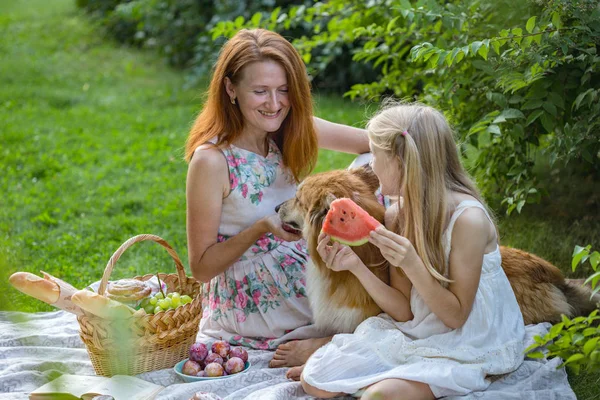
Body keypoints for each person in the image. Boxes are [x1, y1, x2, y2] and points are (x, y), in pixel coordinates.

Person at [295, 103, 526, 399]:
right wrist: (355, 265)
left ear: (400, 162)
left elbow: (455, 317)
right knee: (314, 379)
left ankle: (387, 384)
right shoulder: (397, 215)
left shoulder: (468, 220)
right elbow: (403, 311)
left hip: (469, 338)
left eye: (375, 156)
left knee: (381, 396)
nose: (370, 166)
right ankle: (388, 382)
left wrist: (413, 264)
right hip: (419, 326)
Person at [184, 28, 369, 351]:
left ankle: (334, 338)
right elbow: (201, 268)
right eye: (260, 91)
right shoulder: (212, 161)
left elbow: (375, 145)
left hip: (308, 267)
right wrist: (260, 229)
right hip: (255, 298)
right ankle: (327, 342)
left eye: (284, 90)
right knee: (380, 313)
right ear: (231, 89)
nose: (274, 104)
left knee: (376, 165)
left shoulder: (291, 127)